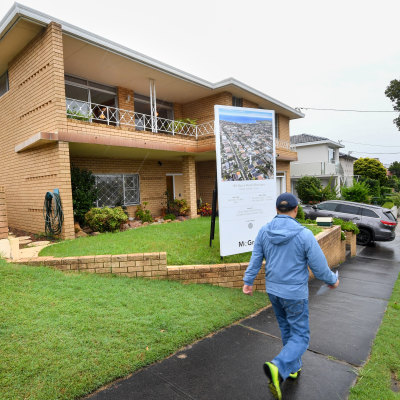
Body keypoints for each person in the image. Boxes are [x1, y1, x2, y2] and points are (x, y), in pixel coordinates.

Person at [242, 192, 339, 400]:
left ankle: (292, 368)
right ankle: (278, 366)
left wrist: (248, 282)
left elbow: (256, 259)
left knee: (287, 330)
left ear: (277, 210)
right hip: (294, 294)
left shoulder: (264, 231)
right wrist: (332, 280)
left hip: (274, 292)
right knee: (301, 336)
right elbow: (320, 268)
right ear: (296, 210)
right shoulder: (304, 235)